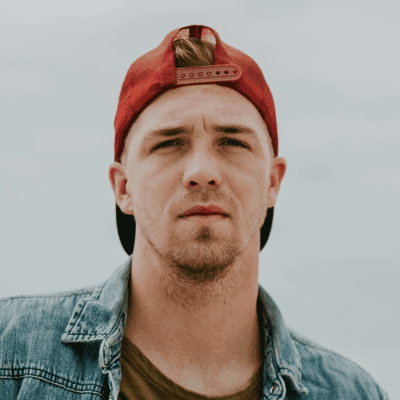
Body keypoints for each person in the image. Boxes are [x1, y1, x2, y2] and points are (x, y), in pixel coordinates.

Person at [0, 25, 389, 400]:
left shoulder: (353, 393)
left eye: (232, 142)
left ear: (273, 182)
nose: (202, 172)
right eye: (169, 142)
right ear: (123, 187)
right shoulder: (10, 356)